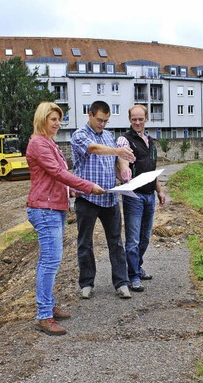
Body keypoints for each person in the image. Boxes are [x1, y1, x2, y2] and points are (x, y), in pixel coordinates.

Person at [26, 101, 105, 336]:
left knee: (50, 261)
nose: (58, 123)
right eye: (53, 119)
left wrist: (73, 190)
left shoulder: (49, 143)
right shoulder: (39, 143)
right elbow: (59, 173)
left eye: (59, 120)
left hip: (54, 207)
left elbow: (57, 178)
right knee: (50, 262)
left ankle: (48, 305)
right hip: (45, 208)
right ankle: (43, 315)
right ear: (42, 120)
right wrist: (88, 186)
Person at [70, 100, 136, 299]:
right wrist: (118, 151)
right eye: (99, 120)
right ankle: (87, 283)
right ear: (89, 114)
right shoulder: (79, 135)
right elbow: (94, 149)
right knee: (85, 243)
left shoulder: (109, 136)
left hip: (110, 198)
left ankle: (121, 282)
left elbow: (113, 164)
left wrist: (123, 173)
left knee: (116, 242)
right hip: (87, 198)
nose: (102, 125)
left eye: (106, 121)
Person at [117, 104, 166, 292]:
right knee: (133, 240)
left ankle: (137, 266)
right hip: (134, 196)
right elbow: (122, 157)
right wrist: (124, 168)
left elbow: (152, 171)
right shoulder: (124, 139)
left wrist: (160, 190)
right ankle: (133, 276)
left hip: (149, 195)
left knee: (145, 237)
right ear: (130, 120)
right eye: (133, 119)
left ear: (146, 118)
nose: (137, 122)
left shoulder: (150, 141)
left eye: (140, 119)